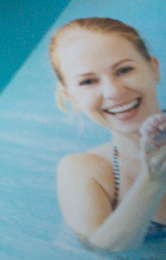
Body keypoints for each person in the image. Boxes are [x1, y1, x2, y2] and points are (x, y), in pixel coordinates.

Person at [51, 16, 166, 250]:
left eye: (124, 70)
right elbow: (100, 253)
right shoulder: (86, 172)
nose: (113, 92)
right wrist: (152, 180)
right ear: (71, 98)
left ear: (153, 69)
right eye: (88, 82)